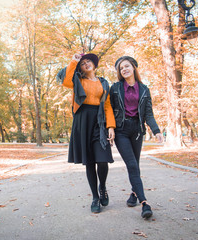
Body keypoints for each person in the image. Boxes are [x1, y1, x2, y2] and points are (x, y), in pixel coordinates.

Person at [56, 53, 116, 213]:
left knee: (102, 160)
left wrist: (110, 126)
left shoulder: (104, 83)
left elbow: (108, 105)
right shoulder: (78, 81)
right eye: (83, 63)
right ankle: (95, 197)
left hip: (99, 121)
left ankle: (102, 186)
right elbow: (66, 80)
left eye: (89, 61)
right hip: (82, 121)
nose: (86, 64)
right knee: (89, 161)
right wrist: (74, 59)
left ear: (94, 65)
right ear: (80, 69)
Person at [110, 56, 163, 219]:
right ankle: (144, 203)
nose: (124, 69)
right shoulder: (115, 88)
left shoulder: (145, 89)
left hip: (137, 131)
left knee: (136, 165)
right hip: (121, 131)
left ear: (133, 68)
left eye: (127, 66)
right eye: (121, 68)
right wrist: (110, 128)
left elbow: (148, 114)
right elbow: (109, 109)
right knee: (132, 165)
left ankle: (133, 194)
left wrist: (156, 130)